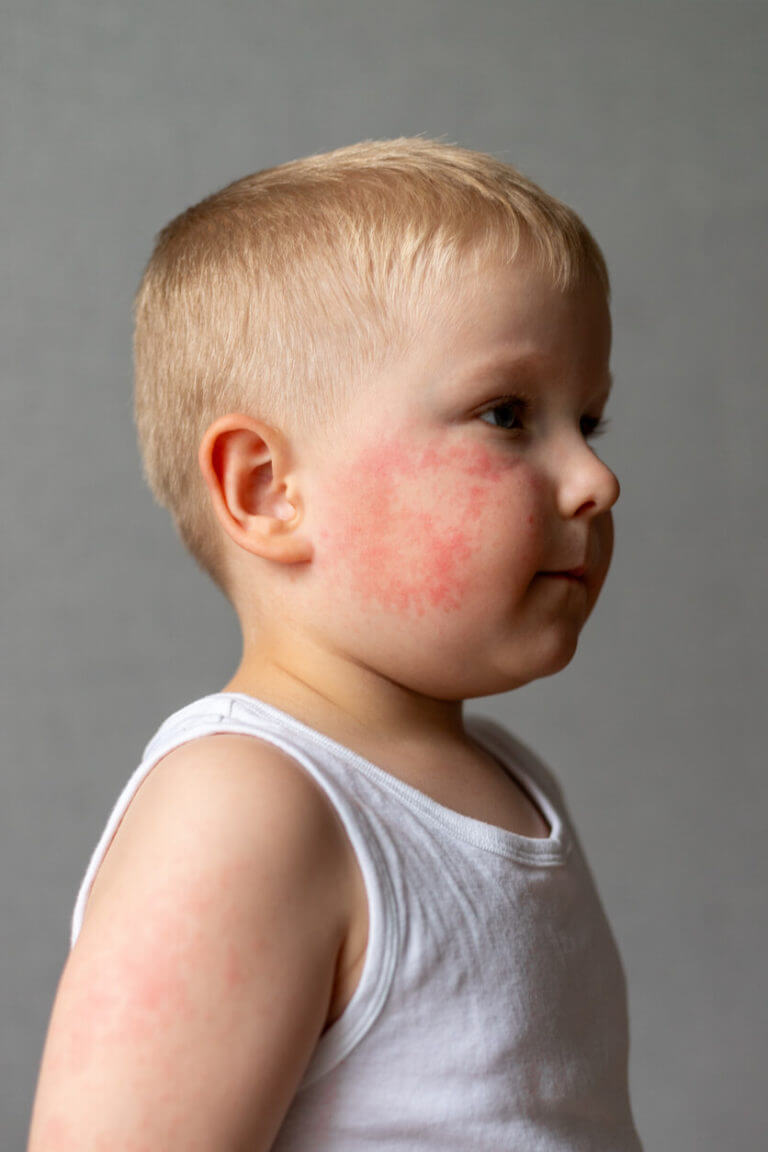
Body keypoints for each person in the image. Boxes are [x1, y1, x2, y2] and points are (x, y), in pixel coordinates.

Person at [28, 137, 644, 1150]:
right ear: (270, 491)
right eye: (507, 414)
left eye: (590, 421)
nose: (594, 479)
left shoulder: (511, 781)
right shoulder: (245, 808)